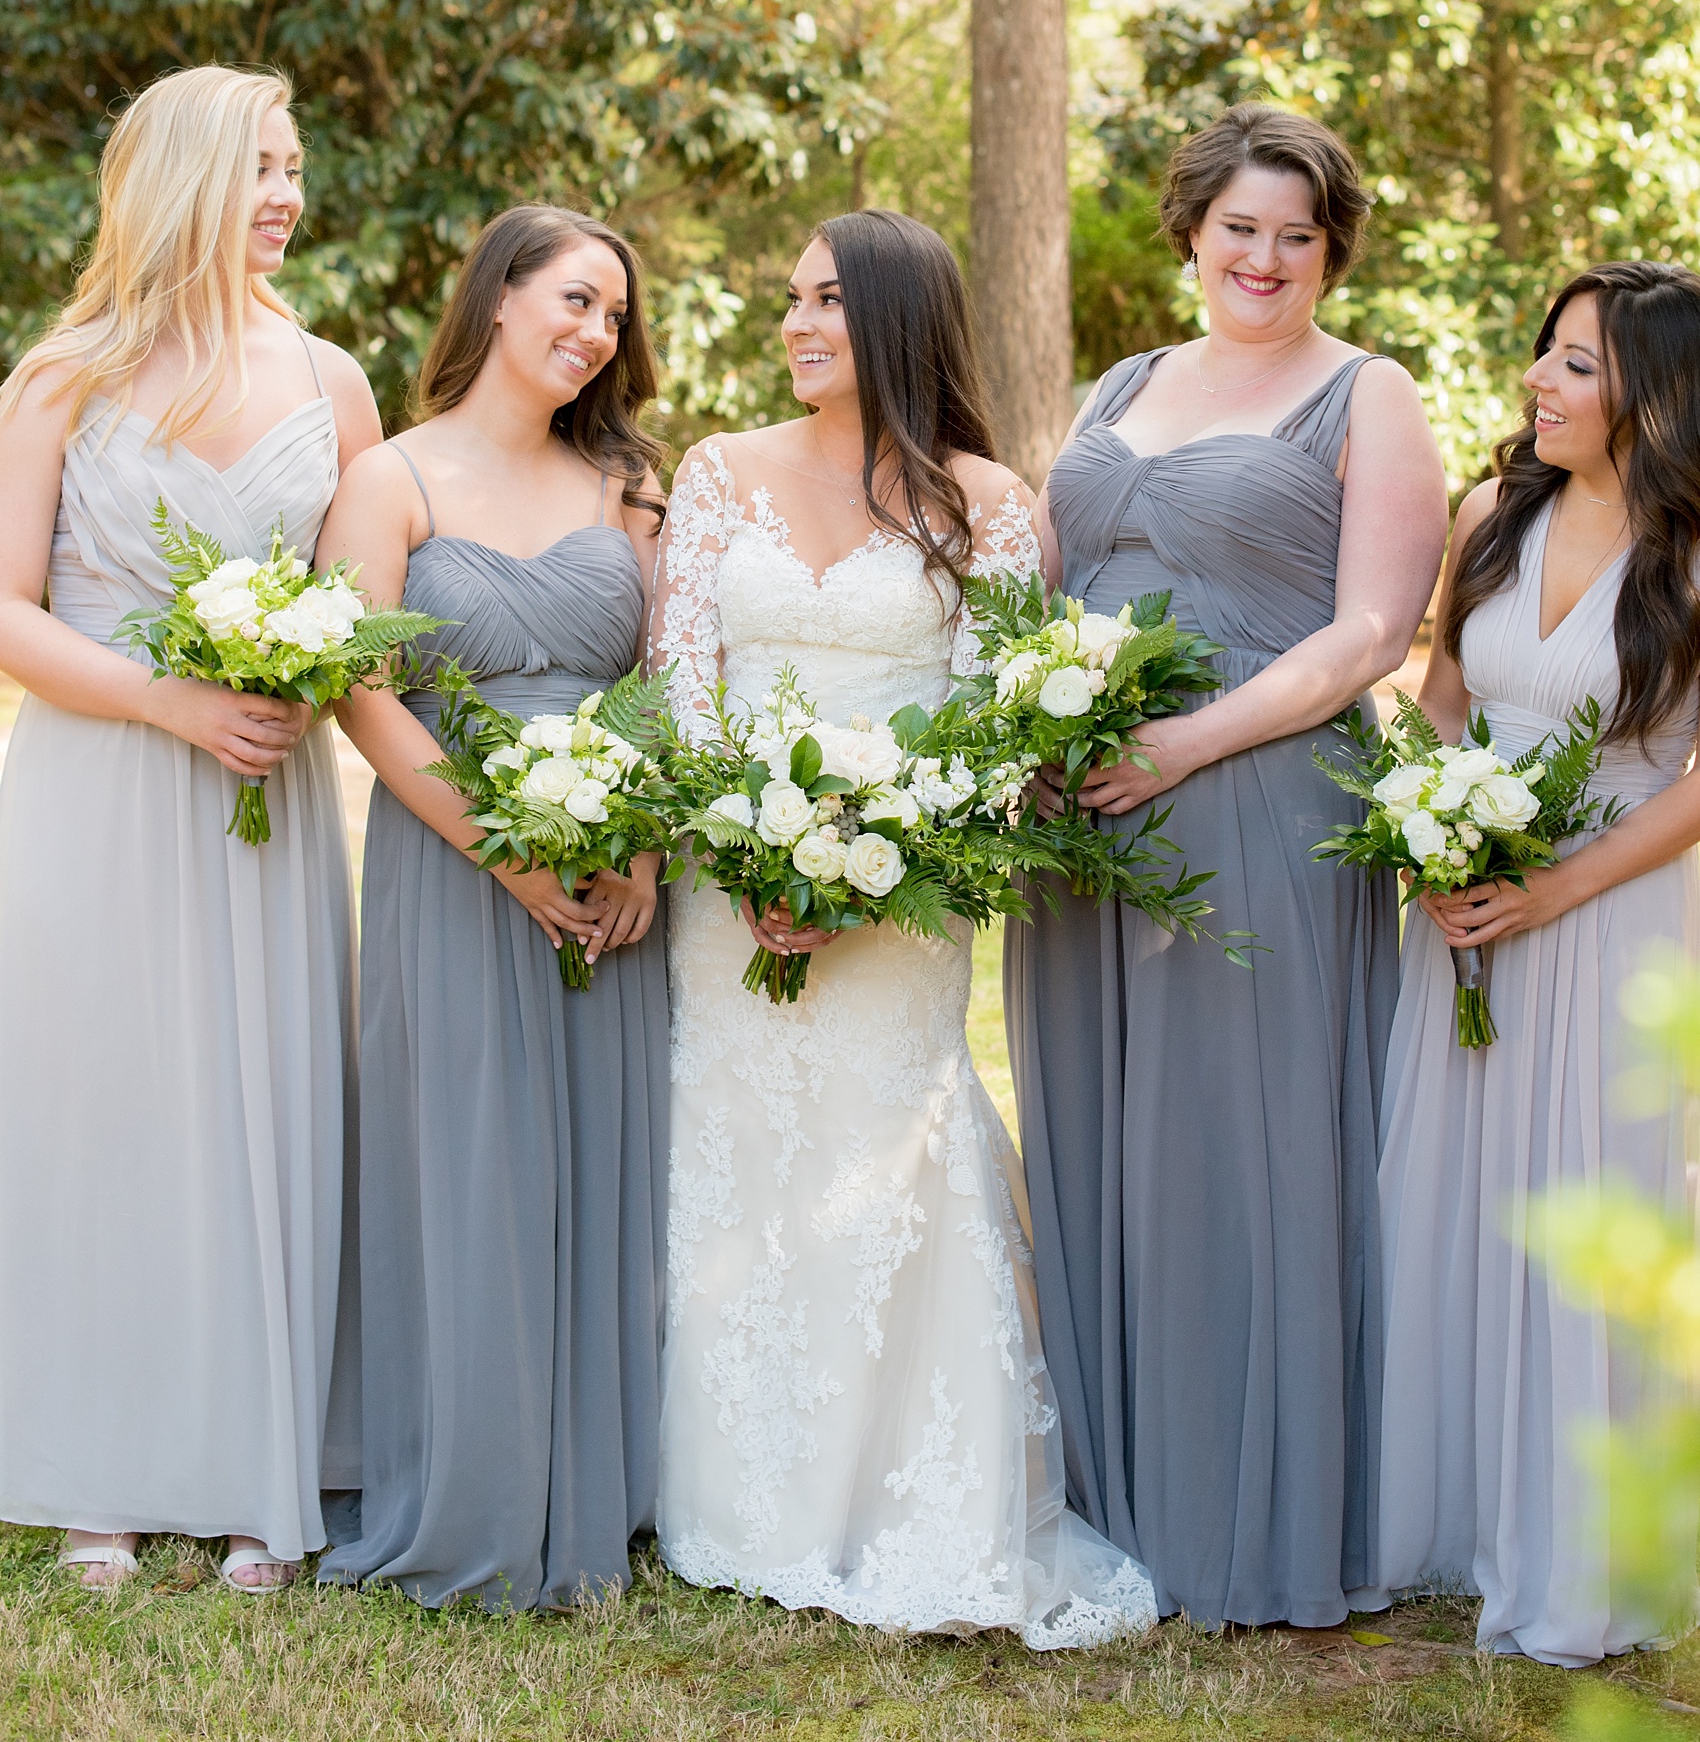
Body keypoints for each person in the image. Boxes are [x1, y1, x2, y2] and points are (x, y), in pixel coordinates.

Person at [649, 207, 1156, 1647]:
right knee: (733, 1156)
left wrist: (874, 863)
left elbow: (1002, 726)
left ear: (896, 321)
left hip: (909, 899)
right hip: (726, 878)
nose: (799, 324)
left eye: (829, 302)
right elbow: (682, 676)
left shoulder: (989, 499)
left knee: (891, 1168)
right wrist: (742, 846)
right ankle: (735, 1504)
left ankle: (894, 1501)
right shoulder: (716, 472)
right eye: (790, 299)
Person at [1009, 102, 1449, 1629]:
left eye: (1299, 235)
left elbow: (1370, 636)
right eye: (1240, 227)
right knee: (1104, 1137)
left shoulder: (1367, 393)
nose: (1266, 258)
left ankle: (1252, 1517)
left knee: (1239, 1160)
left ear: (1332, 250)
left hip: (1261, 800)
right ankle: (1119, 1499)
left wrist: (1187, 747)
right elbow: (1049, 581)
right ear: (1191, 229)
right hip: (1083, 816)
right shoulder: (1124, 382)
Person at [0, 64, 380, 1590]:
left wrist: (301, 677)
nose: (287, 195)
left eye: (296, 167)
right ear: (185, 182)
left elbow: (364, 604)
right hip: (97, 782)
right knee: (102, 1108)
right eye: (263, 168)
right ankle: (99, 1467)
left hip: (265, 797)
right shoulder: (58, 377)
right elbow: (6, 614)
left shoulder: (333, 381)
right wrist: (168, 701)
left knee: (261, 1101)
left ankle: (253, 1466)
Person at [317, 205, 668, 1611]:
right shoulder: (389, 479)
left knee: (601, 1172)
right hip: (451, 867)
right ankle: (464, 1487)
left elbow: (664, 682)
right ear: (502, 295)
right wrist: (501, 853)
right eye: (575, 302)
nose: (593, 336)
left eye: (613, 320)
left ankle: (603, 1494)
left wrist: (636, 852)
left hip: (614, 872)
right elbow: (362, 690)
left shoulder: (630, 486)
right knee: (468, 1168)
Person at [1374, 262, 1700, 1664]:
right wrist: (1439, 843)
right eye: (1545, 357)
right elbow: (1444, 702)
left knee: (1587, 1220)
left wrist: (1556, 885)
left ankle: (1582, 1548)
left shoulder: (1691, 555)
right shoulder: (1491, 517)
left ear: (1655, 394)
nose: (1537, 384)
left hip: (1616, 919)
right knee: (1450, 1200)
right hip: (1467, 918)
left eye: (1575, 365)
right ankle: (1441, 1514)